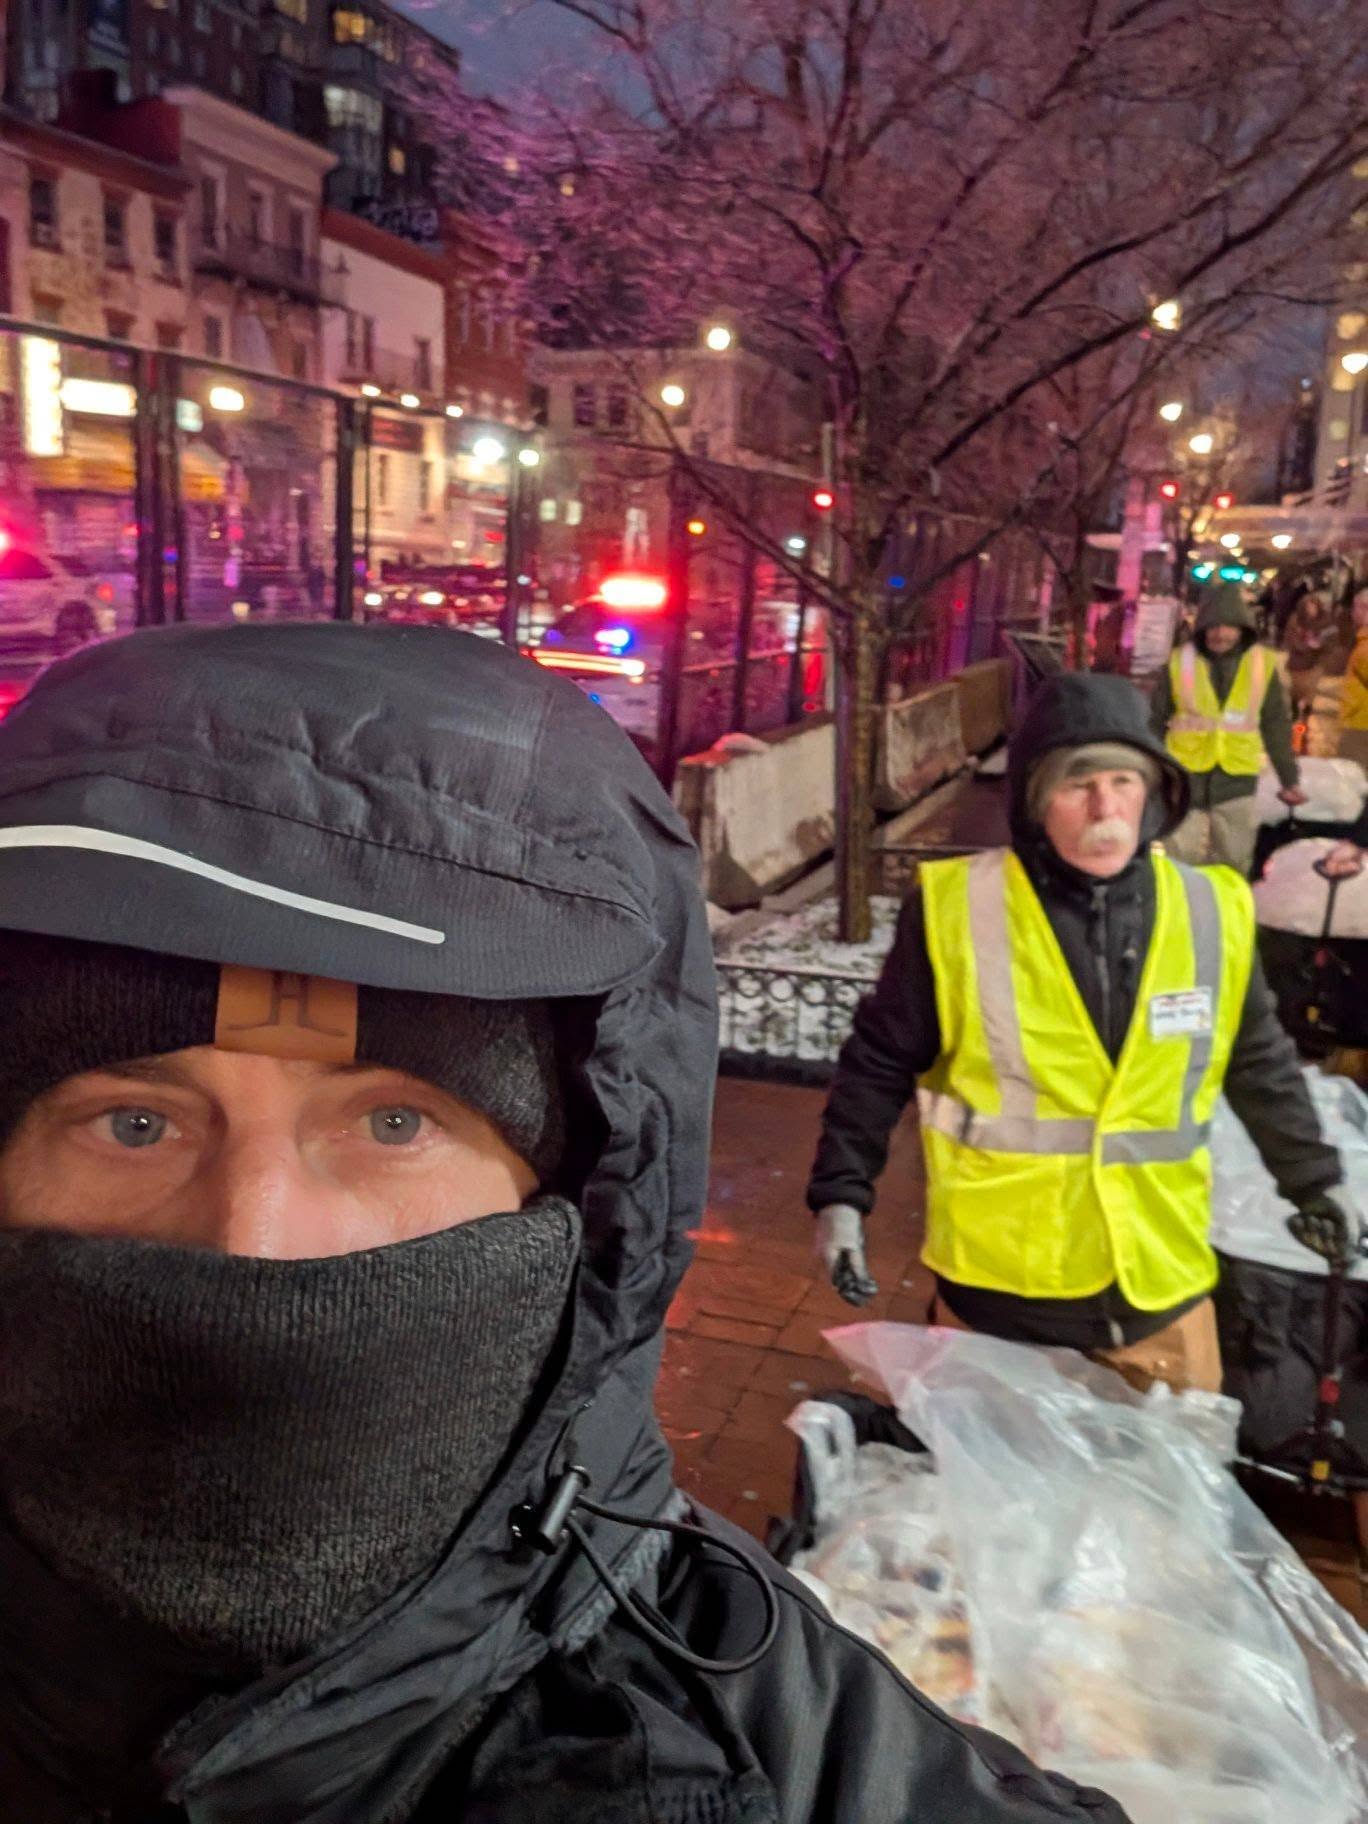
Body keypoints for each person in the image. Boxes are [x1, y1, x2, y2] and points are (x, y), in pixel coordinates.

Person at [0, 622, 1132, 1824]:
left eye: (393, 1124)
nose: (255, 1237)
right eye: (134, 1124)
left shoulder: (766, 1761)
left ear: (584, 1202)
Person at [807, 672, 1358, 1393]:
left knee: (1169, 1470)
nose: (1106, 807)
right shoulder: (956, 910)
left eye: (1124, 782)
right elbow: (879, 1061)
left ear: (1152, 795)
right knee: (991, 1470)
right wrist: (842, 1195)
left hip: (1158, 1286)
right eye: (1078, 785)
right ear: (1036, 803)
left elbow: (1256, 1060)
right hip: (1004, 1290)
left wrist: (1314, 1181)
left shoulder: (1210, 909)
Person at [1149, 581, 1304, 875]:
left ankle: (1229, 905)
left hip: (1237, 778)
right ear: (1201, 628)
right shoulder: (1180, 661)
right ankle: (1183, 904)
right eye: (1212, 626)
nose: (1220, 633)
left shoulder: (1261, 664)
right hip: (1186, 775)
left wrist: (1289, 779)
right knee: (1178, 859)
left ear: (1242, 628)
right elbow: (1154, 719)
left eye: (1228, 626)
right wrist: (1151, 770)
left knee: (1234, 859)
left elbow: (1275, 723)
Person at [1337, 586, 1368, 776]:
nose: (1352, 612)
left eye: (1355, 607)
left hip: (1360, 724)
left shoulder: (1366, 647)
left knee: (1353, 780)